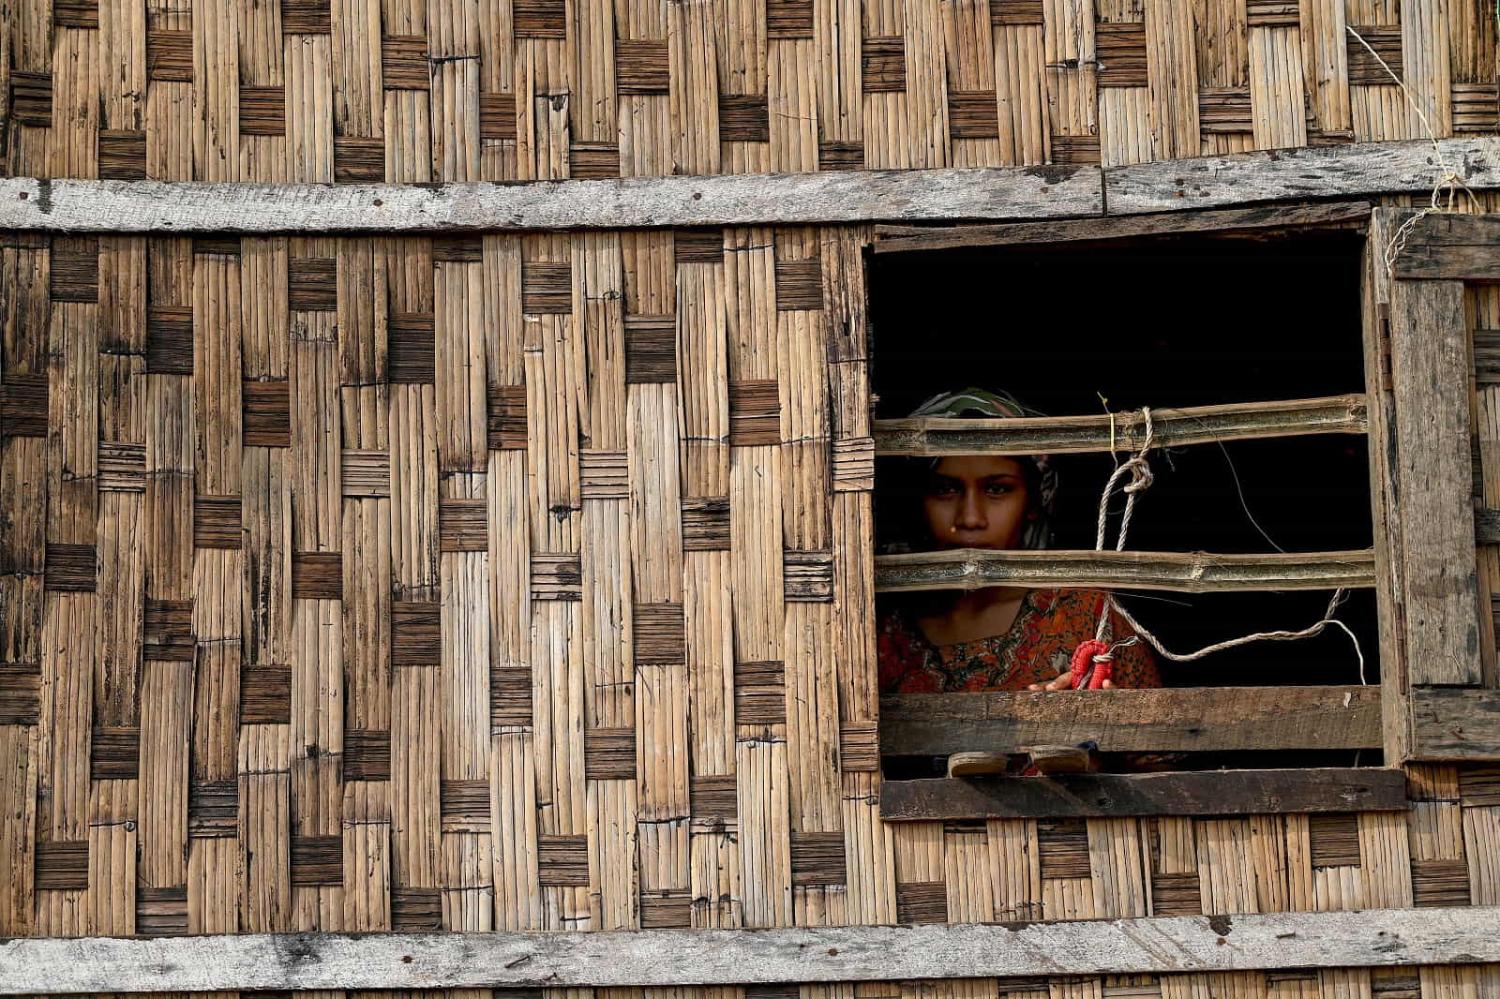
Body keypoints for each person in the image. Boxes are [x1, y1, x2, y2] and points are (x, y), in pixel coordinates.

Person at [878, 387, 1162, 696]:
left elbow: (1156, 738)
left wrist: (1101, 720)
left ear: (1033, 502)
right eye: (946, 490)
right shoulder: (875, 626)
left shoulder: (1083, 616)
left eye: (998, 489)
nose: (970, 518)